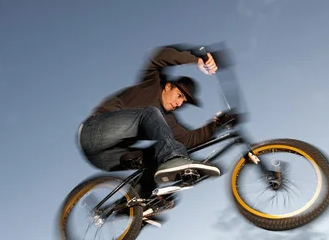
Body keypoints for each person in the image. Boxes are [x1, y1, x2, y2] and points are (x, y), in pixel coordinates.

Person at [77, 44, 223, 200]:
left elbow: (187, 139)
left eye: (184, 102)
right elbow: (159, 57)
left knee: (157, 157)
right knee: (152, 114)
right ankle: (173, 159)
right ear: (168, 86)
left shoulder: (166, 121)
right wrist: (196, 59)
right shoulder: (151, 83)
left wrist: (217, 125)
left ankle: (134, 205)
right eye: (179, 95)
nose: (179, 103)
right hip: (94, 131)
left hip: (105, 158)